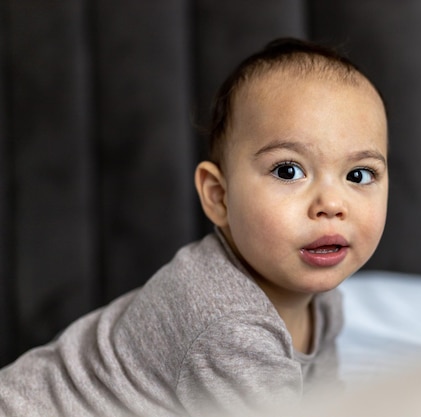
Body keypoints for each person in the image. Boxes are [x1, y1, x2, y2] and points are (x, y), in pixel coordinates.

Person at [0, 37, 389, 416]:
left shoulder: (324, 302)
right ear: (219, 196)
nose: (332, 205)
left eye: (359, 174)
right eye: (288, 170)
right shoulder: (228, 325)